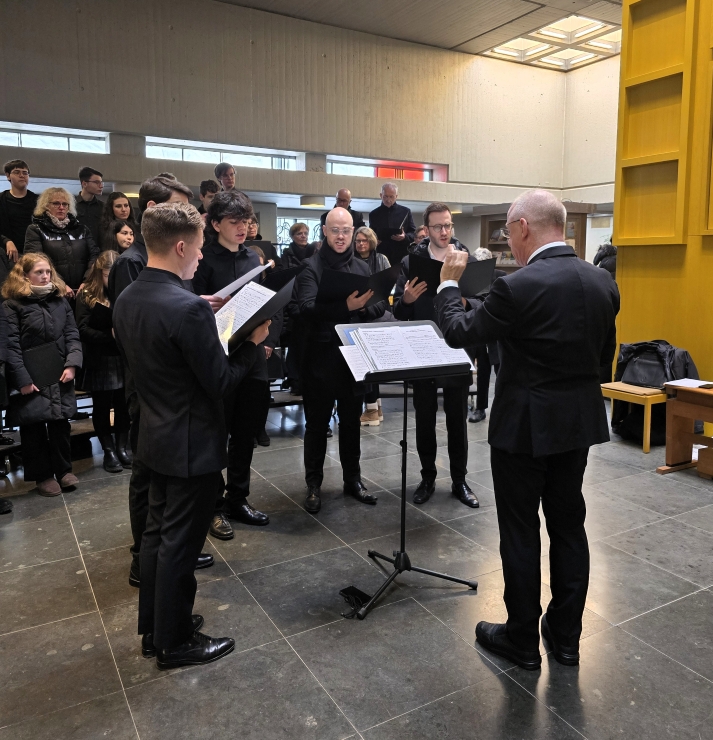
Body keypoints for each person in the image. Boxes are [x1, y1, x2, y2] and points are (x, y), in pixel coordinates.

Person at [435, 189, 619, 671]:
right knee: (569, 526)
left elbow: (459, 332)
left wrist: (448, 286)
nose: (510, 243)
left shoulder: (517, 286)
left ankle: (520, 639)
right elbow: (604, 358)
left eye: (508, 232)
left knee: (520, 531)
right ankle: (566, 638)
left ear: (522, 227)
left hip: (523, 429)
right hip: (577, 426)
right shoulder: (602, 281)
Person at [113, 201, 270, 670]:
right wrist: (252, 346)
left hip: (154, 434)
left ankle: (156, 629)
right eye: (199, 247)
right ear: (181, 247)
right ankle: (176, 642)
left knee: (157, 538)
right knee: (181, 545)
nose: (202, 256)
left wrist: (201, 311)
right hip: (191, 443)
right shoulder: (187, 309)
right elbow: (220, 382)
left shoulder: (129, 297)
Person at [108, 173, 216, 588]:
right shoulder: (131, 262)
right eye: (179, 207)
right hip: (164, 402)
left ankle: (155, 611)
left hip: (159, 400)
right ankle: (149, 573)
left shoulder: (147, 280)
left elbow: (153, 310)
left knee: (162, 521)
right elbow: (145, 331)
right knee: (160, 509)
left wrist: (192, 304)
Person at [193, 190, 277, 539]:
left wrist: (267, 336)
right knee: (217, 434)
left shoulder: (252, 259)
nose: (243, 227)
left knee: (245, 433)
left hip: (252, 353)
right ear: (216, 224)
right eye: (234, 222)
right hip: (219, 354)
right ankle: (213, 507)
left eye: (246, 221)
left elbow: (266, 302)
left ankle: (237, 499)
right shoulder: (203, 260)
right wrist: (209, 306)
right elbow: (192, 309)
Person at [296, 207, 386, 513]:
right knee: (317, 425)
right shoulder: (310, 267)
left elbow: (377, 307)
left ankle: (353, 480)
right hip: (320, 359)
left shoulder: (362, 267)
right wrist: (346, 306)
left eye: (346, 231)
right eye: (335, 230)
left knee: (351, 423)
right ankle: (313, 485)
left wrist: (360, 308)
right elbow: (306, 308)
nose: (341, 236)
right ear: (324, 231)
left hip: (353, 357)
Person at [393, 202, 479, 509]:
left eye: (448, 225)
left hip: (456, 347)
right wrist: (406, 300)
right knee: (425, 418)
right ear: (426, 229)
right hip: (423, 349)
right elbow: (398, 311)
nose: (444, 232)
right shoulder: (412, 261)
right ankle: (427, 477)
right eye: (438, 226)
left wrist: (465, 302)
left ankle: (460, 480)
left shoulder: (465, 257)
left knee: (457, 419)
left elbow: (482, 302)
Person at [3, 254, 82, 496]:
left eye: (48, 271)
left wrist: (72, 364)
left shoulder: (60, 301)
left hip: (58, 371)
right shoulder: (12, 305)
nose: (45, 276)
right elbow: (10, 347)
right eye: (39, 272)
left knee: (60, 423)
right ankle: (43, 476)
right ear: (25, 275)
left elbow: (72, 335)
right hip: (31, 376)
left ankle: (64, 471)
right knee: (33, 427)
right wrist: (23, 380)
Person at [76, 250, 131, 473]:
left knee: (123, 404)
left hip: (121, 356)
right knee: (101, 406)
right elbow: (82, 328)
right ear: (99, 273)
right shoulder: (86, 293)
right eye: (108, 275)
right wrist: (109, 335)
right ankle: (108, 451)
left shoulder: (124, 290)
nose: (112, 280)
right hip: (99, 357)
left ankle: (122, 448)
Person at [24, 188, 99, 298]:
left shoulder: (82, 229)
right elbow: (35, 261)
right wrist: (60, 284)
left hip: (84, 290)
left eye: (65, 204)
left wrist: (87, 281)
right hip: (51, 291)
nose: (61, 207)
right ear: (46, 206)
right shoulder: (35, 229)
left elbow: (95, 256)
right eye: (56, 203)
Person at [354, 226, 389, 427]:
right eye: (358, 241)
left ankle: (371, 410)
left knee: (371, 366)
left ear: (371, 241)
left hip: (376, 314)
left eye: (364, 240)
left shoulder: (381, 260)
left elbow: (386, 288)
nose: (360, 244)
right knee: (367, 366)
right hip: (360, 315)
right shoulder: (351, 259)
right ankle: (376, 408)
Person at [468, 247, 505, 424]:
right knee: (482, 371)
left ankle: (503, 408)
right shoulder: (472, 278)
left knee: (501, 371)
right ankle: (480, 408)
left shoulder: (500, 276)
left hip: (497, 332)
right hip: (481, 330)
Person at [281, 223, 316, 396]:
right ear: (292, 236)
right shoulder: (287, 254)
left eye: (305, 233)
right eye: (299, 233)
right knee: (295, 347)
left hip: (308, 301)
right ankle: (295, 381)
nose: (303, 236)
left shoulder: (314, 253)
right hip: (293, 301)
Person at [368, 183, 416, 266]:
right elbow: (371, 234)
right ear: (381, 195)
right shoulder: (373, 214)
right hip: (381, 255)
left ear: (396, 196)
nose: (388, 199)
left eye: (391, 196)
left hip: (400, 255)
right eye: (385, 196)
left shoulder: (406, 212)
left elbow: (413, 233)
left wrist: (405, 237)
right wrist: (374, 241)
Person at [0, 159, 38, 262]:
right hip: (7, 254)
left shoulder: (38, 201)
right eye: (17, 172)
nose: (22, 175)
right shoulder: (1, 199)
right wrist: (6, 241)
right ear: (8, 176)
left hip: (34, 253)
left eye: (25, 173)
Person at [76, 167, 105, 244]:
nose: (101, 186)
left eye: (101, 183)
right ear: (84, 184)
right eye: (97, 182)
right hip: (78, 248)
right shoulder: (71, 205)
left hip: (98, 248)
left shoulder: (103, 207)